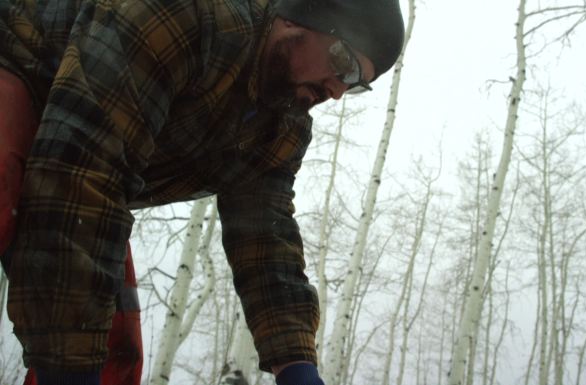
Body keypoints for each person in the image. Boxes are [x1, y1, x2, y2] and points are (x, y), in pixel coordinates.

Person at [0, 0, 404, 384]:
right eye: (344, 64)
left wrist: (297, 366)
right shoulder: (189, 15)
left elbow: (266, 240)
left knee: (109, 350)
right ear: (299, 15)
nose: (337, 91)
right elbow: (82, 172)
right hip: (19, 66)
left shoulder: (281, 126)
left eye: (356, 85)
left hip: (83, 151)